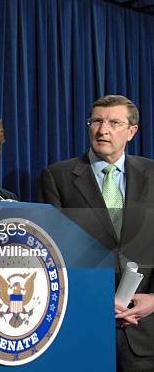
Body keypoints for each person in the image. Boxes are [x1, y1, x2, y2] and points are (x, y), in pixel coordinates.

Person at [40, 95, 154, 372]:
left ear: (132, 131)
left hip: (145, 331)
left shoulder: (153, 174)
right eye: (97, 121)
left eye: (114, 122)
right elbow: (50, 254)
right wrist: (92, 297)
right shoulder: (58, 177)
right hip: (84, 327)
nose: (103, 130)